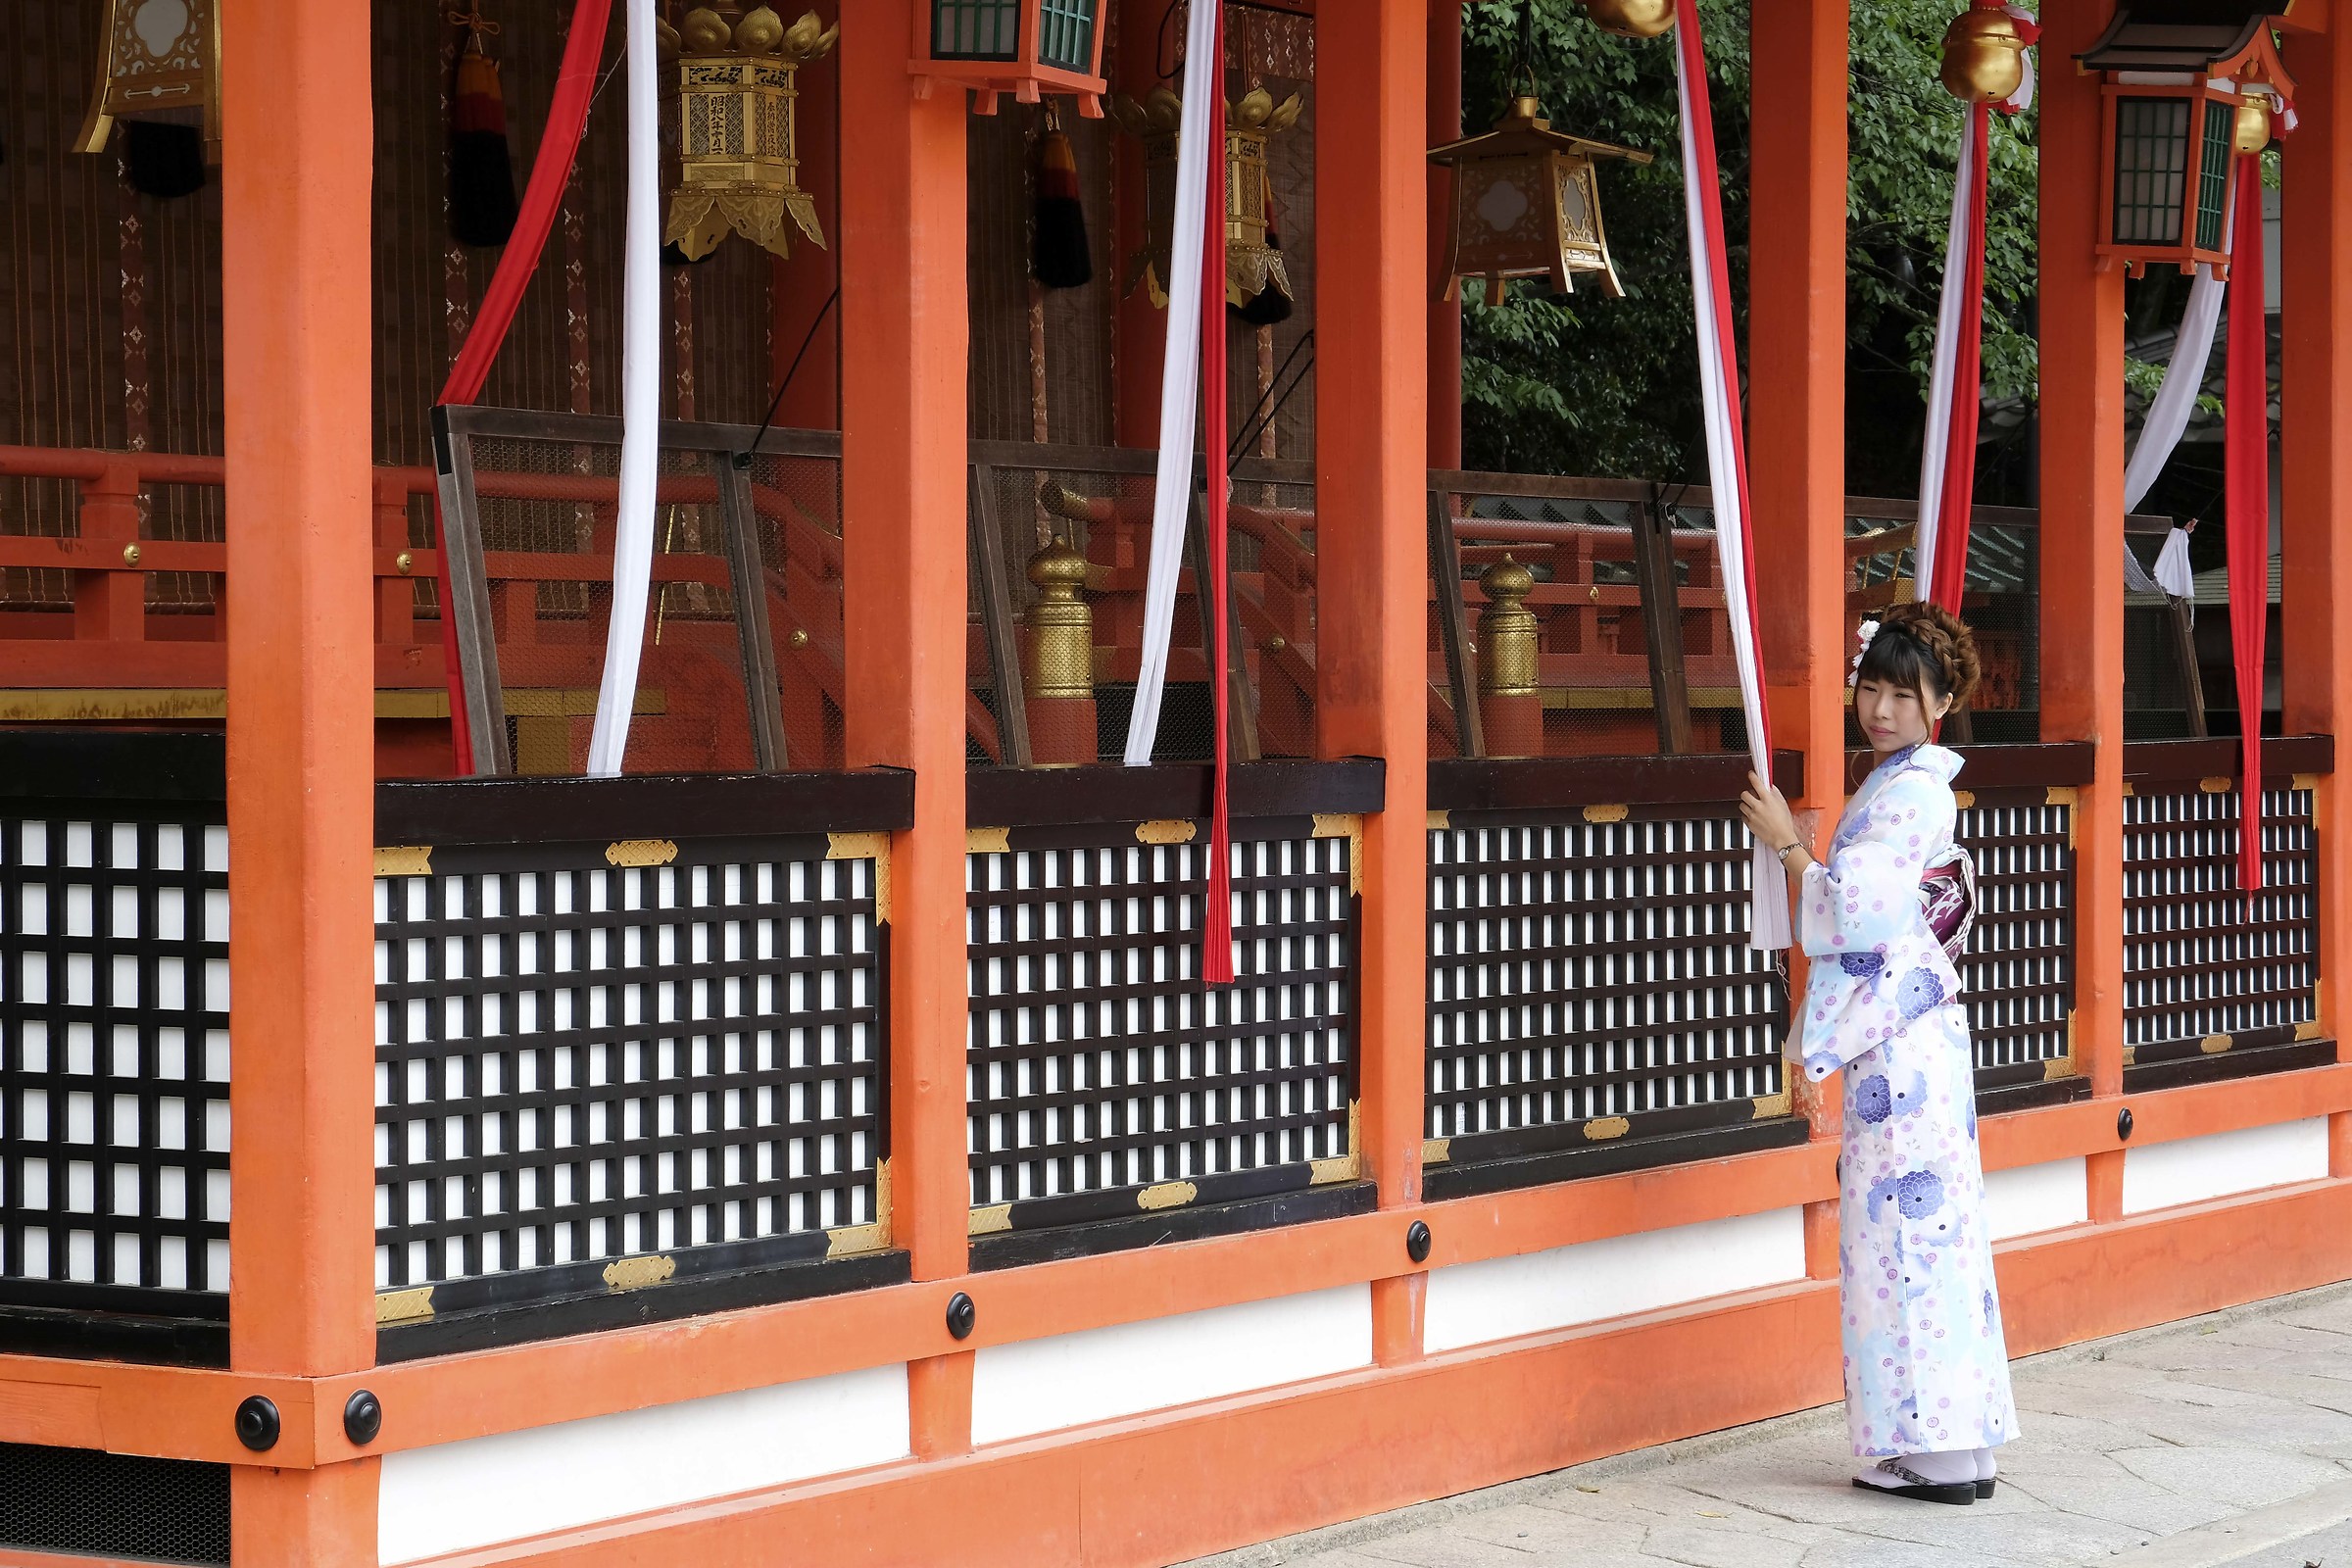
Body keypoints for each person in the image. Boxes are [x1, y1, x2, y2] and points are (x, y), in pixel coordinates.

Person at [1738, 601, 2018, 1507]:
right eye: (1872, 689)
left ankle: (1925, 1451)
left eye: (1905, 694)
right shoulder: (1908, 786)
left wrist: (1788, 844)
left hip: (1899, 1052)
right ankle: (1960, 1449)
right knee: (1937, 1238)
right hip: (1917, 1039)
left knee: (1898, 1241)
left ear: (1942, 702)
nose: (1883, 709)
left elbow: (1856, 912)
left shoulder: (1908, 794)